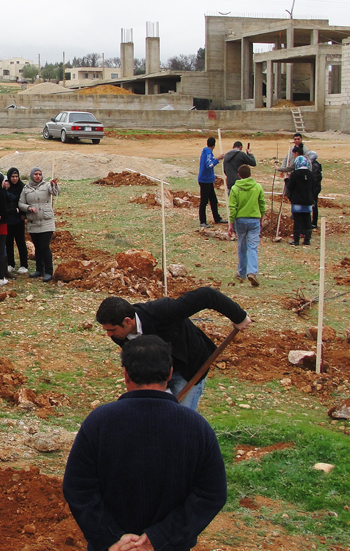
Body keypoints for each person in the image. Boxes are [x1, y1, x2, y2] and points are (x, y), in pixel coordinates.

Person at [63, 335, 227, 551]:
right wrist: (160, 538)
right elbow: (211, 494)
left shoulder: (99, 422)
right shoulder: (196, 427)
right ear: (169, 374)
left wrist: (112, 538)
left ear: (125, 374)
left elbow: (77, 487)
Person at [95, 287, 252, 410]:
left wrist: (239, 317)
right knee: (157, 413)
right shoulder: (119, 334)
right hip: (156, 374)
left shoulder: (163, 311)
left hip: (188, 367)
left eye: (112, 330)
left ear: (127, 321)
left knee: (181, 417)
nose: (109, 335)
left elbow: (207, 295)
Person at [18, 166, 59, 281]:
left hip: (46, 221)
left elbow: (56, 193)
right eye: (35, 174)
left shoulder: (46, 185)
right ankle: (39, 269)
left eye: (39, 174)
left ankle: (49, 271)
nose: (38, 176)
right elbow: (21, 203)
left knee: (45, 246)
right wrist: (29, 207)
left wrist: (54, 185)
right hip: (33, 222)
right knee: (37, 247)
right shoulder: (26, 188)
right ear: (32, 175)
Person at [228, 164, 265, 286]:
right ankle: (252, 272)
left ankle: (242, 273)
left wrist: (231, 223)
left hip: (240, 220)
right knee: (252, 247)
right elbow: (262, 204)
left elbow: (232, 207)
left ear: (239, 175)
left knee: (242, 247)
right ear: (250, 174)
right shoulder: (258, 187)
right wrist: (261, 217)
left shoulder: (235, 188)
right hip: (254, 220)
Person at [286, 152, 314, 246]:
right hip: (308, 200)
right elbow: (313, 188)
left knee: (297, 220)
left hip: (297, 201)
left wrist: (287, 180)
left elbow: (290, 187)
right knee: (307, 219)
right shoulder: (311, 174)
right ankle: (307, 240)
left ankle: (296, 240)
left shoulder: (295, 174)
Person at [4, 167, 28, 274]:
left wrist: (23, 213)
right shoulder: (5, 187)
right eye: (12, 177)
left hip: (18, 220)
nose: (15, 179)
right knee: (8, 242)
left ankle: (24, 264)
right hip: (8, 220)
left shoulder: (22, 187)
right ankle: (10, 263)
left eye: (16, 176)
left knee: (20, 242)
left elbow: (24, 201)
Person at [197, 136, 224, 228]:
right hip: (205, 181)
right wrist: (218, 159)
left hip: (208, 180)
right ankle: (202, 221)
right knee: (204, 201)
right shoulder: (208, 153)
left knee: (213, 200)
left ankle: (217, 218)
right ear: (214, 145)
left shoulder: (207, 152)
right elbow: (209, 165)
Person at [308, 151, 322, 229]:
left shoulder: (314, 166)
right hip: (315, 187)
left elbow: (314, 178)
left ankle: (314, 222)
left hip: (314, 188)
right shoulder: (315, 164)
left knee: (313, 204)